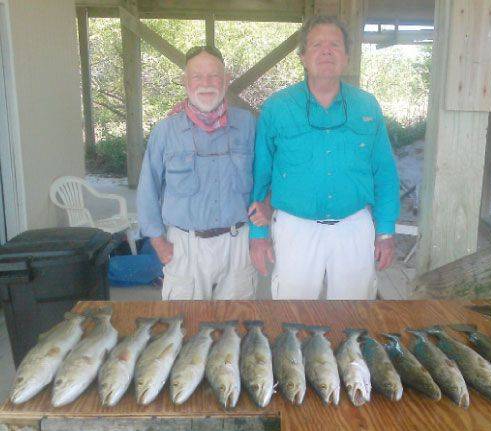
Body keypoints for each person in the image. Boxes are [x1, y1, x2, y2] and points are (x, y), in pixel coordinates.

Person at [249, 16, 400, 300]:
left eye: (335, 45)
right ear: (303, 56)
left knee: (354, 318)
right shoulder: (277, 108)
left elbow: (384, 172)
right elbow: (261, 175)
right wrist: (258, 236)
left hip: (353, 226)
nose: (326, 51)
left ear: (346, 56)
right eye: (317, 45)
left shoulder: (367, 105)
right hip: (295, 229)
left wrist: (386, 232)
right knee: (293, 318)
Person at [137, 46, 268, 300]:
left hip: (237, 244)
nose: (206, 83)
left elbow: (268, 175)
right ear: (185, 82)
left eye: (214, 76)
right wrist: (158, 242)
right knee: (186, 331)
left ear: (226, 80)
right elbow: (147, 191)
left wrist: (266, 212)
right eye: (197, 76)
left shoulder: (249, 124)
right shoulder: (165, 131)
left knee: (236, 330)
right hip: (185, 247)